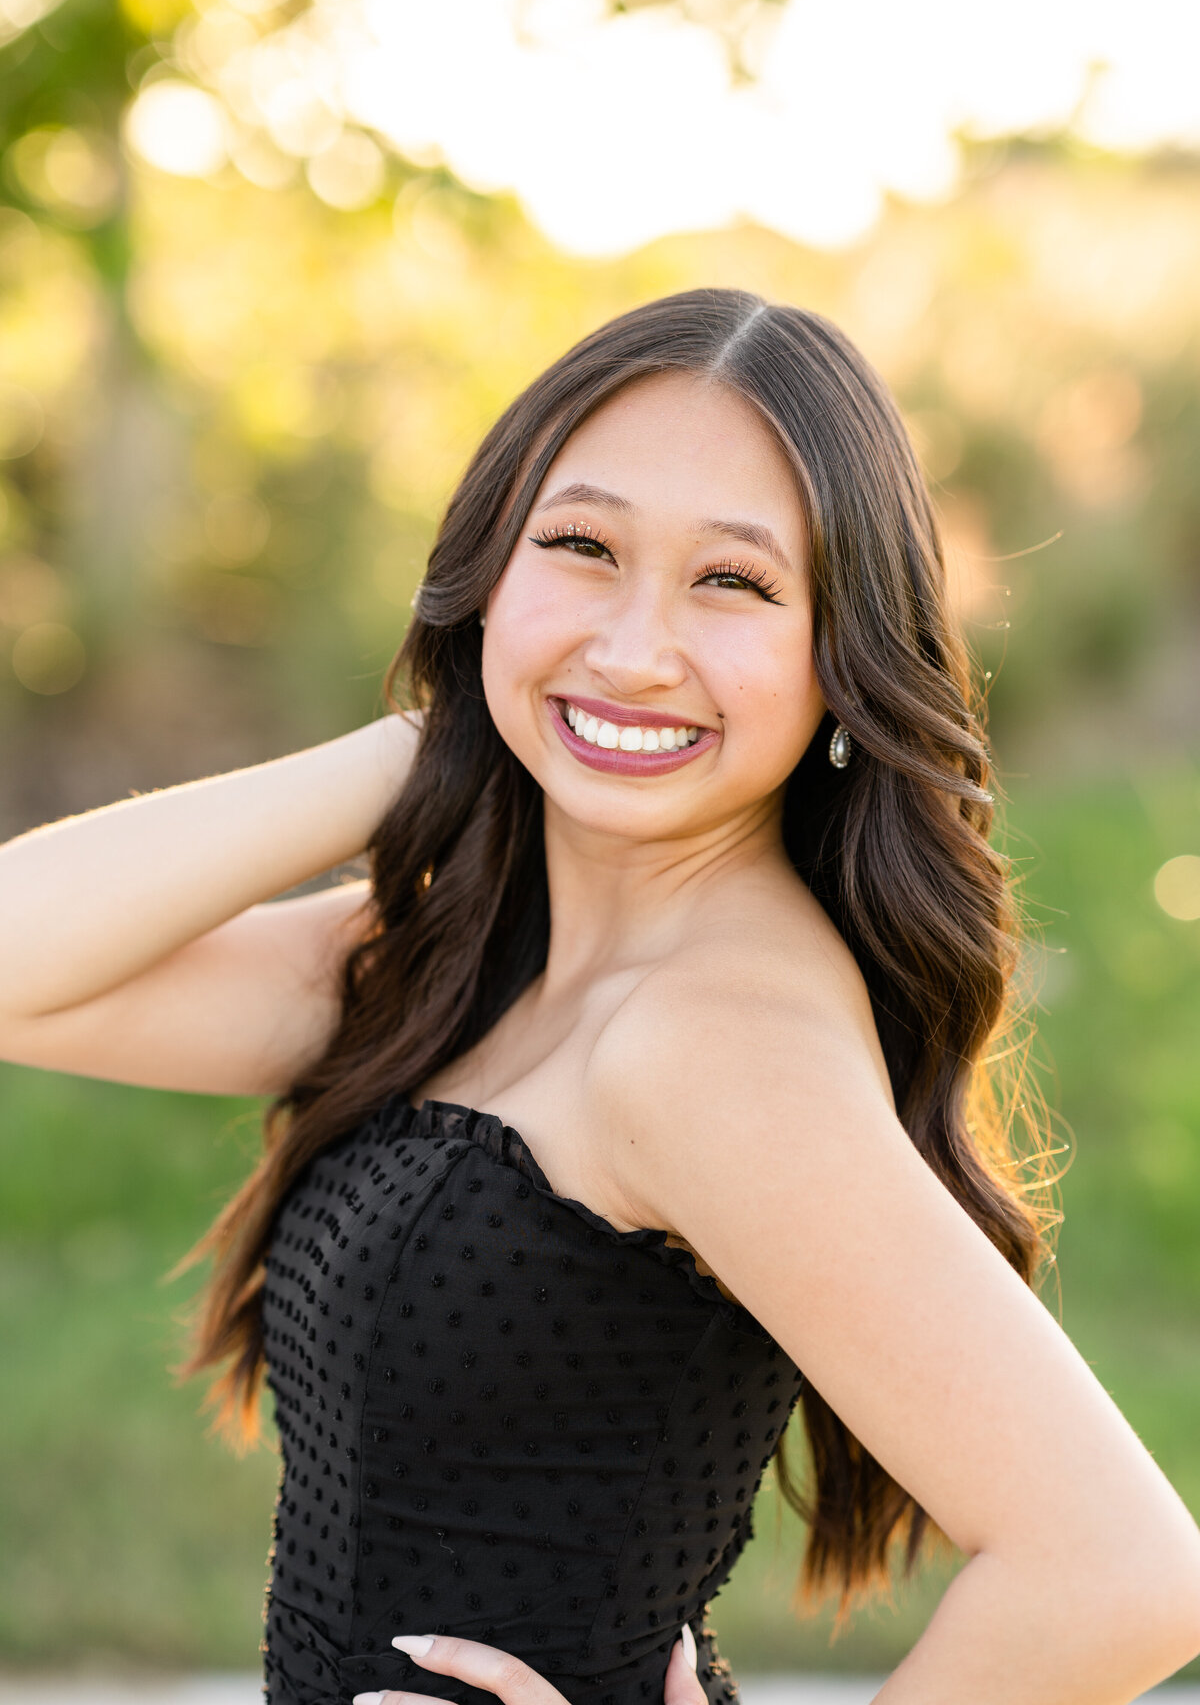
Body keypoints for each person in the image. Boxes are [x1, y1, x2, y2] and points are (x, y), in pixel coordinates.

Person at [2, 289, 1198, 1705]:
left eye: (735, 583)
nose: (634, 648)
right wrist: (443, 734)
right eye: (581, 549)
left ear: (841, 656)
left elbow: (1122, 1572)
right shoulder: (472, 953)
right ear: (485, 571)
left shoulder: (711, 1044)